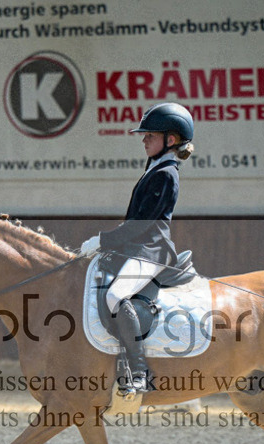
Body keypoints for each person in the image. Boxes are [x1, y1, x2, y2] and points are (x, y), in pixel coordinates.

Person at [80, 102, 195, 395]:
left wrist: (102, 240)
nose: (143, 139)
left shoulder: (166, 173)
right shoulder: (155, 167)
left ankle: (139, 372)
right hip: (137, 246)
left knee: (117, 295)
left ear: (170, 140)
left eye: (150, 135)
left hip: (151, 249)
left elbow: (142, 224)